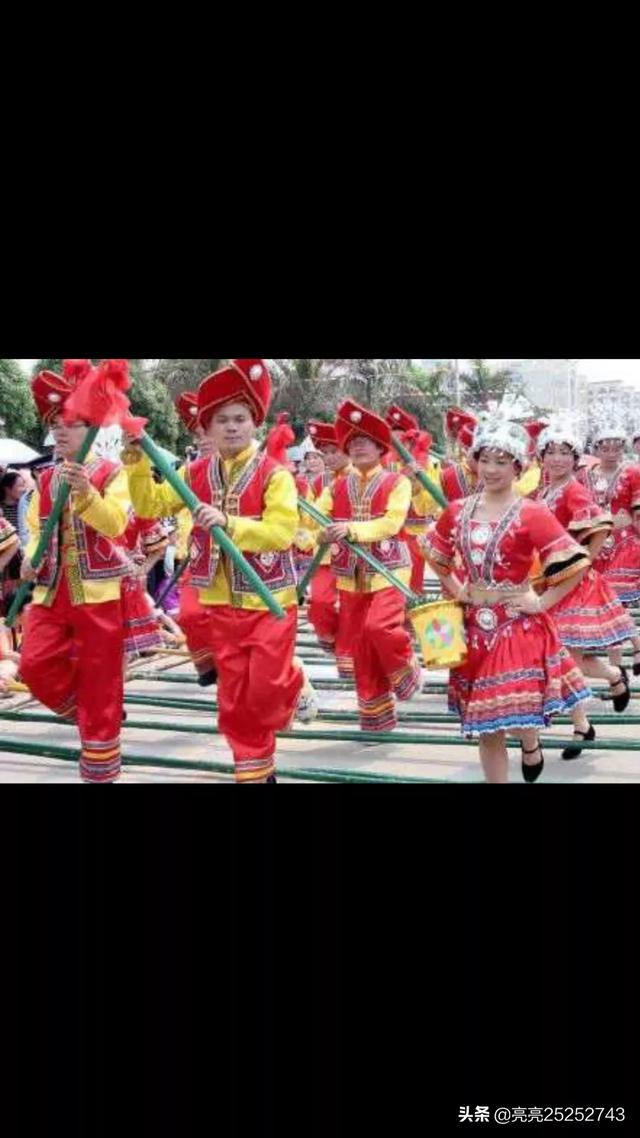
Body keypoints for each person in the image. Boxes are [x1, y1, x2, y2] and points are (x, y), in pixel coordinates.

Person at [123, 358, 316, 784]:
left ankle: (295, 678)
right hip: (218, 602)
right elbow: (150, 506)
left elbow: (282, 532)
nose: (232, 427)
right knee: (234, 699)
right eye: (222, 420)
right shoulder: (195, 472)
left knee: (264, 693)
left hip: (270, 601)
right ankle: (254, 770)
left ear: (255, 424)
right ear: (207, 428)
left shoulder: (275, 474)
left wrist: (230, 524)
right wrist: (137, 463)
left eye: (240, 419)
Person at [424, 413, 592, 784]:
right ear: (474, 461)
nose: (491, 469)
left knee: (511, 713)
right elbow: (435, 556)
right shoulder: (456, 511)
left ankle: (530, 742)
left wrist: (542, 603)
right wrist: (457, 589)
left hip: (516, 626)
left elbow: (576, 562)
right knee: (489, 726)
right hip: (472, 628)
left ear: (518, 467)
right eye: (485, 459)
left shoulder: (532, 512)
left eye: (502, 461)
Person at [20, 362, 130, 783]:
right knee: (34, 665)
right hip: (51, 591)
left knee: (101, 682)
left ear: (91, 430)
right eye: (56, 426)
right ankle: (88, 712)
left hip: (98, 595)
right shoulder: (43, 480)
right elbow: (34, 529)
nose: (62, 432)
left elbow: (116, 525)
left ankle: (100, 769)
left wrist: (86, 493)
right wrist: (31, 556)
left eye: (72, 424)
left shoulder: (110, 474)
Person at [313, 399, 422, 733]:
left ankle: (407, 669)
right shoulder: (336, 486)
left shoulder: (397, 483)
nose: (358, 448)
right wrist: (316, 535)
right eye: (353, 444)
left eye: (366, 442)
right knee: (362, 650)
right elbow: (313, 517)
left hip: (389, 569)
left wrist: (350, 530)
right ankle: (376, 717)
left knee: (380, 628)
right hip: (350, 577)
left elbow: (391, 524)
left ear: (380, 448)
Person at [537, 417, 634, 758]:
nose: (558, 459)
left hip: (574, 586)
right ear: (542, 456)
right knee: (561, 660)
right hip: (550, 583)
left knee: (565, 659)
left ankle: (587, 717)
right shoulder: (543, 491)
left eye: (565, 452)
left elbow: (602, 526)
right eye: (552, 452)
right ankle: (595, 704)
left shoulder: (574, 490)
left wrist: (583, 562)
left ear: (575, 457)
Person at [579, 421, 640, 674]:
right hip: (596, 546)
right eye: (606, 447)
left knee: (616, 603)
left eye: (617, 447)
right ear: (597, 449)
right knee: (607, 607)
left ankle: (630, 654)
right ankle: (619, 667)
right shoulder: (585, 476)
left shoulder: (632, 473)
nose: (612, 452)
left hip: (624, 544)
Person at [305, 419, 354, 677]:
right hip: (325, 556)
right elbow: (311, 518)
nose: (330, 457)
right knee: (320, 604)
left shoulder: (363, 477)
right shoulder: (317, 483)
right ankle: (334, 639)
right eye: (326, 453)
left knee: (351, 608)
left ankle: (348, 654)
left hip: (357, 556)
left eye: (336, 451)